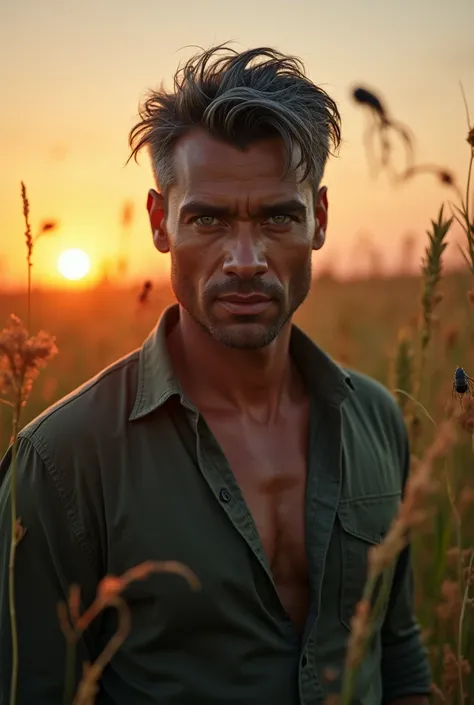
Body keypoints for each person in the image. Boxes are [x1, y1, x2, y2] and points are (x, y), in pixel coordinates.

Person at [0, 45, 431, 705]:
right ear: (159, 221)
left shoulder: (374, 418)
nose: (245, 259)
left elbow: (396, 654)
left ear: (318, 217)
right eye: (209, 219)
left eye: (277, 217)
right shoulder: (63, 459)